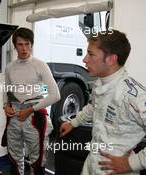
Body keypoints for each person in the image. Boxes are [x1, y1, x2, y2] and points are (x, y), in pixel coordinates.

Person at [60, 30, 146, 175]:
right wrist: (74, 122)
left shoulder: (134, 96)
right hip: (92, 161)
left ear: (111, 59)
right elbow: (94, 106)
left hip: (116, 169)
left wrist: (132, 163)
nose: (85, 59)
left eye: (91, 54)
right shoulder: (100, 83)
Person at [3, 27, 60, 175]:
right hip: (15, 114)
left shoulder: (40, 65)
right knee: (14, 159)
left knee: (37, 161)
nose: (24, 48)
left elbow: (55, 95)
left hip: (34, 114)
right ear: (15, 46)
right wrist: (5, 106)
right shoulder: (9, 67)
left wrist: (30, 110)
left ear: (32, 44)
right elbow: (7, 90)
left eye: (27, 44)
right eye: (20, 44)